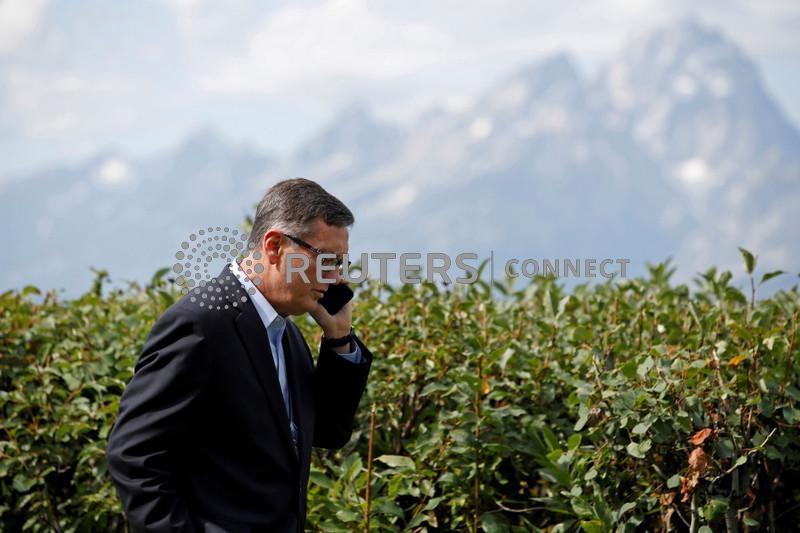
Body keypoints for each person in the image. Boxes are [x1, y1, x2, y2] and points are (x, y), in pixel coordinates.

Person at [107, 178, 373, 532]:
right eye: (325, 260)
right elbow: (134, 455)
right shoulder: (199, 324)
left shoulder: (288, 335)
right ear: (275, 246)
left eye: (340, 264)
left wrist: (339, 338)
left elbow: (327, 432)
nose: (336, 278)